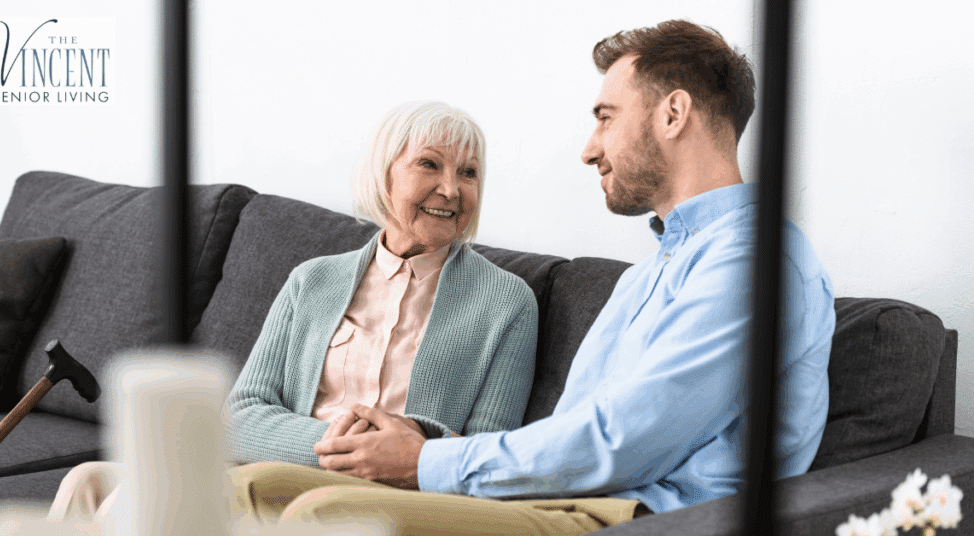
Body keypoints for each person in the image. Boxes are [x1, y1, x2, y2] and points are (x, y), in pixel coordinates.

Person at [290, 20, 835, 535]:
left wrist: (427, 461)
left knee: (321, 512)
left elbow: (623, 443)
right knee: (251, 485)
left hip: (641, 517)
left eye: (606, 117)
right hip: (571, 498)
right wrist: (430, 443)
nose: (589, 148)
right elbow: (574, 433)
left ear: (673, 115)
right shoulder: (648, 276)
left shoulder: (755, 264)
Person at [44, 101, 539, 526]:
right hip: (286, 467)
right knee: (87, 481)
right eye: (429, 164)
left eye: (468, 173)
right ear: (383, 173)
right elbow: (240, 414)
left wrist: (401, 453)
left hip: (394, 493)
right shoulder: (313, 280)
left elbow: (490, 453)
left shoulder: (508, 301)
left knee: (170, 501)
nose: (452, 190)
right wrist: (337, 446)